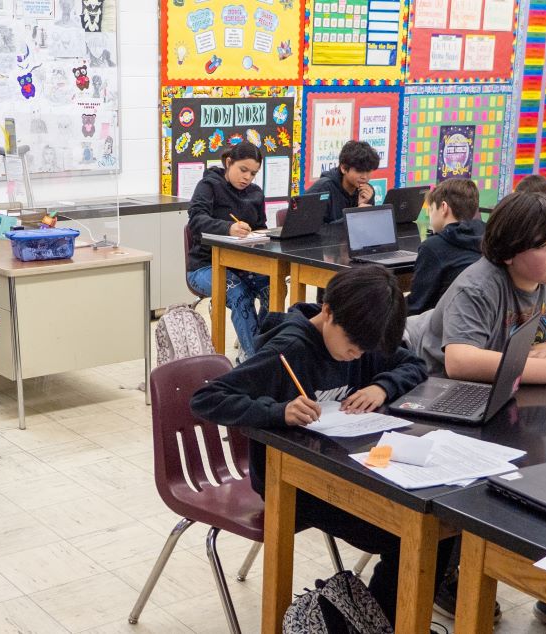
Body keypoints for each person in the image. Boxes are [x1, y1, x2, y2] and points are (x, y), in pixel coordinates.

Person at [190, 265, 432, 615]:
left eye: (364, 352)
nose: (357, 357)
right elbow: (207, 399)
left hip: (346, 468)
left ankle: (382, 619)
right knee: (405, 536)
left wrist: (382, 386)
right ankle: (375, 620)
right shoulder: (288, 348)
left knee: (436, 532)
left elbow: (413, 364)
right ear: (328, 311)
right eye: (352, 348)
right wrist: (278, 411)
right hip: (290, 484)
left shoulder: (362, 334)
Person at [404, 192, 546, 383]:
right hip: (423, 374)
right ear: (508, 253)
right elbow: (459, 362)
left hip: (503, 381)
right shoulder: (478, 287)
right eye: (542, 245)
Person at [185, 141, 271, 358]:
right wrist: (228, 228)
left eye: (253, 173)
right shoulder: (209, 186)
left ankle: (255, 341)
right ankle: (254, 360)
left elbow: (261, 227)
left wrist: (259, 235)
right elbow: (196, 220)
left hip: (243, 264)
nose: (248, 178)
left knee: (274, 288)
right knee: (238, 293)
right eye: (243, 170)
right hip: (205, 266)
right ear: (228, 162)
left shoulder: (256, 193)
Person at [407, 177, 485, 315]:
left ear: (443, 207)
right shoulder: (490, 238)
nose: (430, 215)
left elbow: (417, 306)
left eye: (430, 209)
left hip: (442, 325)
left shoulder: (433, 247)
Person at [304, 141, 380, 224]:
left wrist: (365, 206)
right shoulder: (322, 189)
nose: (364, 177)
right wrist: (355, 215)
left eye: (368, 171)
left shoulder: (367, 191)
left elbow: (367, 228)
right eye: (359, 170)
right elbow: (311, 229)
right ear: (343, 168)